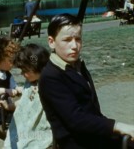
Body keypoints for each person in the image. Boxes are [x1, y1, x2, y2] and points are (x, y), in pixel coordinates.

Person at [38, 13, 134, 149]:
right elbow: (76, 119)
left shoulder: (76, 65)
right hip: (76, 143)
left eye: (78, 39)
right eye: (67, 40)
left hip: (94, 136)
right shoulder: (51, 76)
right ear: (51, 42)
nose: (74, 46)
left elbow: (92, 110)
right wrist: (117, 126)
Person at [3, 43, 53, 149]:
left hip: (39, 130)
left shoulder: (48, 85)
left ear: (36, 67)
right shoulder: (29, 82)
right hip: (23, 126)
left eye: (24, 70)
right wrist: (9, 106)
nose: (22, 74)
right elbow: (25, 102)